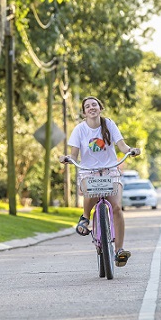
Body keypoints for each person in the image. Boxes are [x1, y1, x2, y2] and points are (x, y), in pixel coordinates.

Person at [60, 96, 140, 267]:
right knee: (90, 189)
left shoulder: (109, 124)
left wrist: (131, 150)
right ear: (84, 112)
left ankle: (119, 250)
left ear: (100, 107)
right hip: (89, 171)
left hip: (111, 170)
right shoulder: (80, 130)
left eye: (94, 104)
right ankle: (85, 217)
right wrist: (68, 158)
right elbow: (74, 154)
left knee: (117, 207)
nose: (91, 108)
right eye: (87, 106)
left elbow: (122, 146)